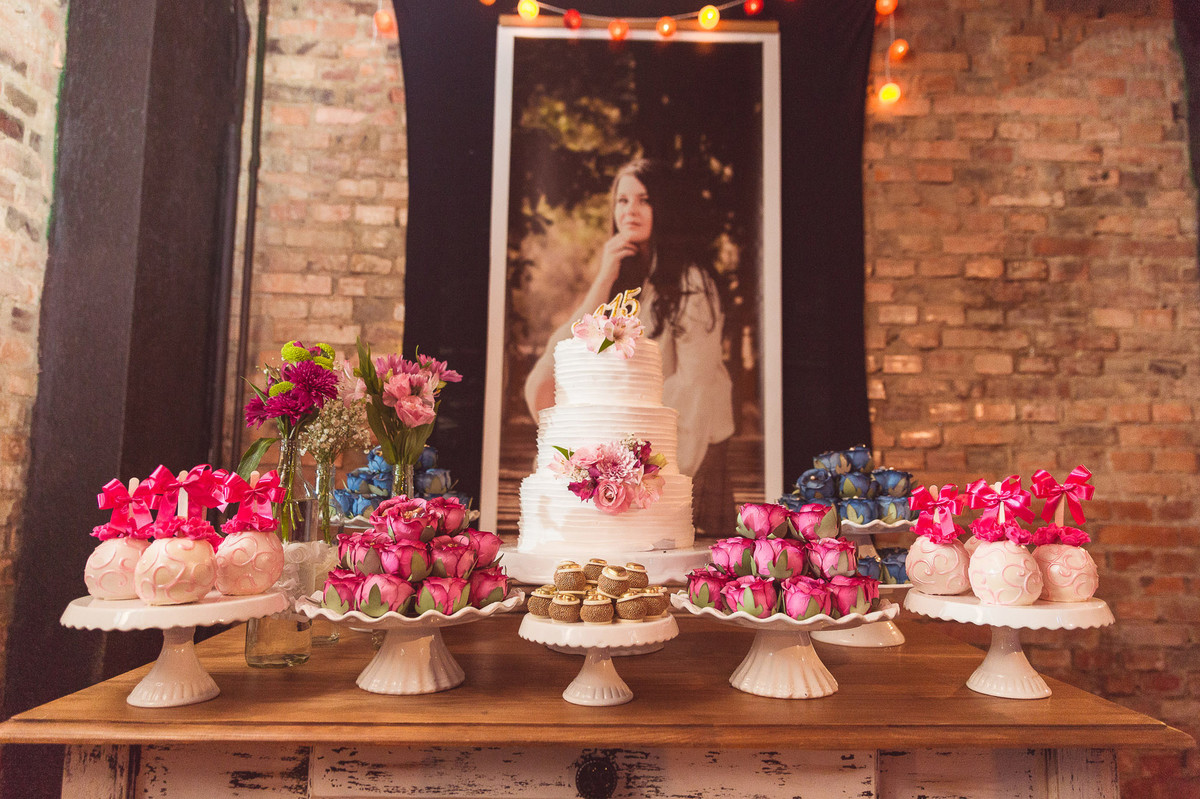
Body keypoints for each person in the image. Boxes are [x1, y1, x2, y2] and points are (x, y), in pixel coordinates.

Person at [523, 158, 736, 536]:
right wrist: (604, 278)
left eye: (644, 200)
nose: (630, 210)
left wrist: (646, 471)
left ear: (664, 208)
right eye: (622, 200)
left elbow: (695, 387)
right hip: (628, 457)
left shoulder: (691, 284)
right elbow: (554, 364)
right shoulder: (626, 283)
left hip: (687, 456)